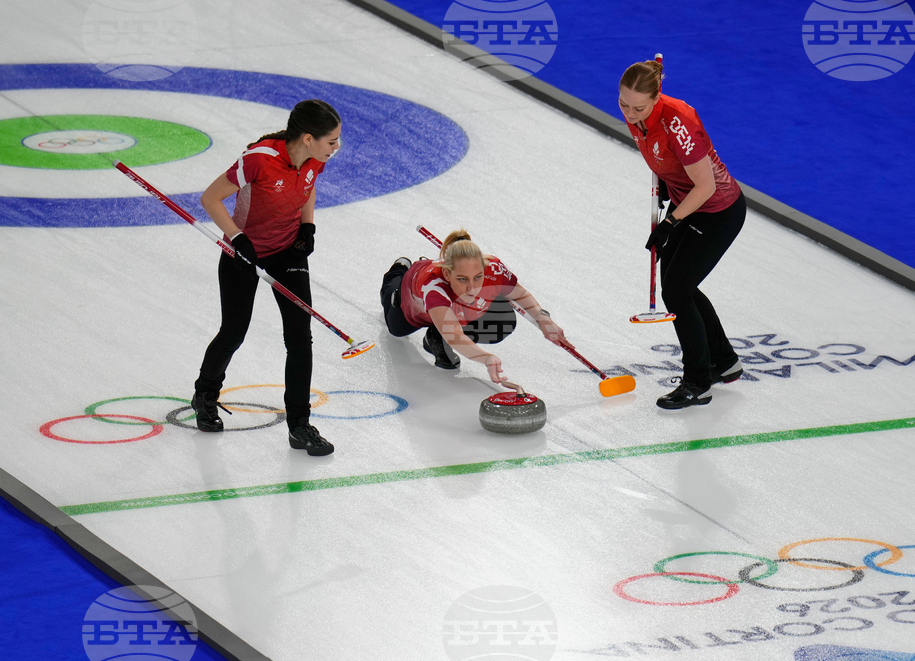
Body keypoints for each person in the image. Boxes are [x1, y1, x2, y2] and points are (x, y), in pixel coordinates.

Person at [190, 99, 342, 456]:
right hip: (244, 253)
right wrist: (238, 239)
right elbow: (210, 199)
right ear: (308, 138)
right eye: (332, 141)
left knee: (300, 339)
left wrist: (308, 227)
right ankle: (206, 395)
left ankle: (300, 426)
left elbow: (307, 187)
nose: (336, 148)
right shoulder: (258, 159)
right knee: (234, 331)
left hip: (287, 252)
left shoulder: (315, 158)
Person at [619, 59, 746, 410]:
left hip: (716, 210)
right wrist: (664, 184)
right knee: (679, 287)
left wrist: (670, 223)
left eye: (639, 107)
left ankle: (698, 383)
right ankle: (724, 361)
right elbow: (666, 160)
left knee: (676, 291)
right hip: (686, 205)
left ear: (656, 98)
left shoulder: (679, 122)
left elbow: (705, 186)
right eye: (623, 104)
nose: (630, 113)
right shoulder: (639, 117)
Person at [379, 230, 572, 383]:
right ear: (447, 275)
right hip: (411, 303)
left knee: (501, 320)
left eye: (478, 277)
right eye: (462, 279)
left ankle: (435, 336)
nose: (472, 287)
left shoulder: (493, 267)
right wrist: (485, 358)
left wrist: (543, 317)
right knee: (396, 330)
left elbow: (518, 293)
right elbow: (454, 336)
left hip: (452, 309)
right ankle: (399, 270)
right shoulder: (434, 287)